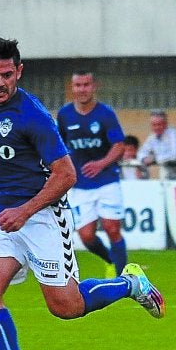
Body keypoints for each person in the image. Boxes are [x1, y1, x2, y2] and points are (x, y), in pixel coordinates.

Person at [0, 37, 165, 350]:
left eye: (7, 74)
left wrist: (25, 211)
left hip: (42, 216)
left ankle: (131, 285)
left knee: (66, 307)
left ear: (18, 72)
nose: (1, 82)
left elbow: (66, 176)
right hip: (5, 219)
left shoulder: (33, 116)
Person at [57, 71, 127, 278]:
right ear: (72, 87)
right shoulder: (64, 115)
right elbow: (57, 144)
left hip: (107, 180)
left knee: (112, 228)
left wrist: (101, 163)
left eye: (86, 84)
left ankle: (123, 277)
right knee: (86, 236)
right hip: (80, 184)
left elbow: (119, 145)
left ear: (94, 85)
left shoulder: (105, 113)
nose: (82, 89)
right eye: (78, 85)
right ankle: (110, 261)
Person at [137, 109, 176, 180]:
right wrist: (144, 158)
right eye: (154, 125)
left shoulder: (173, 134)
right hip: (169, 176)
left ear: (165, 124)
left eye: (159, 124)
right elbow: (141, 153)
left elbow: (173, 155)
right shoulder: (152, 138)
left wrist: (154, 158)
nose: (157, 127)